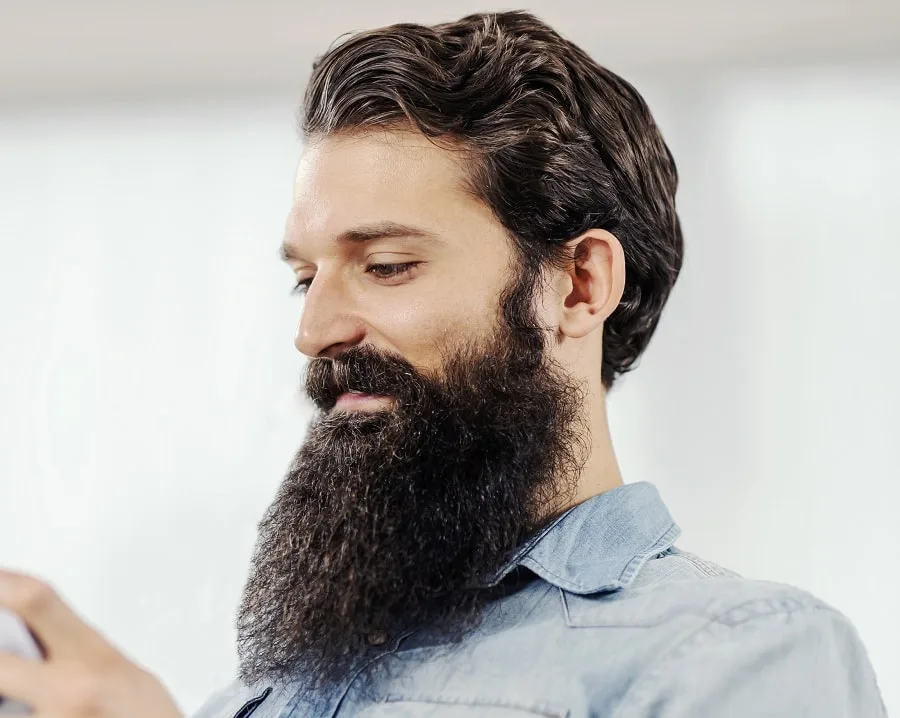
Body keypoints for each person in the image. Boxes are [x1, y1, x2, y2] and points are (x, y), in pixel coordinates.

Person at [0, 10, 887, 718]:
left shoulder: (745, 656)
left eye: (385, 266)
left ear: (578, 286)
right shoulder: (284, 682)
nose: (314, 331)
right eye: (306, 277)